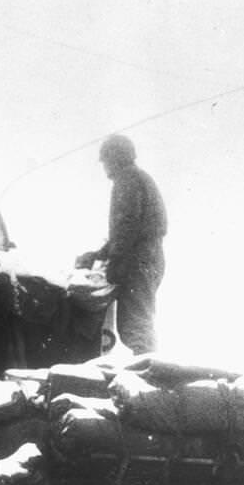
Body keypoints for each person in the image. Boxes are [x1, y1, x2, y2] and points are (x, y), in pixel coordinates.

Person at [76, 134, 168, 354]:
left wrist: (115, 262)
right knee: (136, 323)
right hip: (147, 256)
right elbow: (125, 229)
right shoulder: (136, 178)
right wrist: (100, 254)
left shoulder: (127, 179)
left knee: (135, 325)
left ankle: (149, 377)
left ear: (115, 158)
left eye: (106, 160)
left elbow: (127, 225)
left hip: (139, 258)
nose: (105, 166)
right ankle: (148, 369)